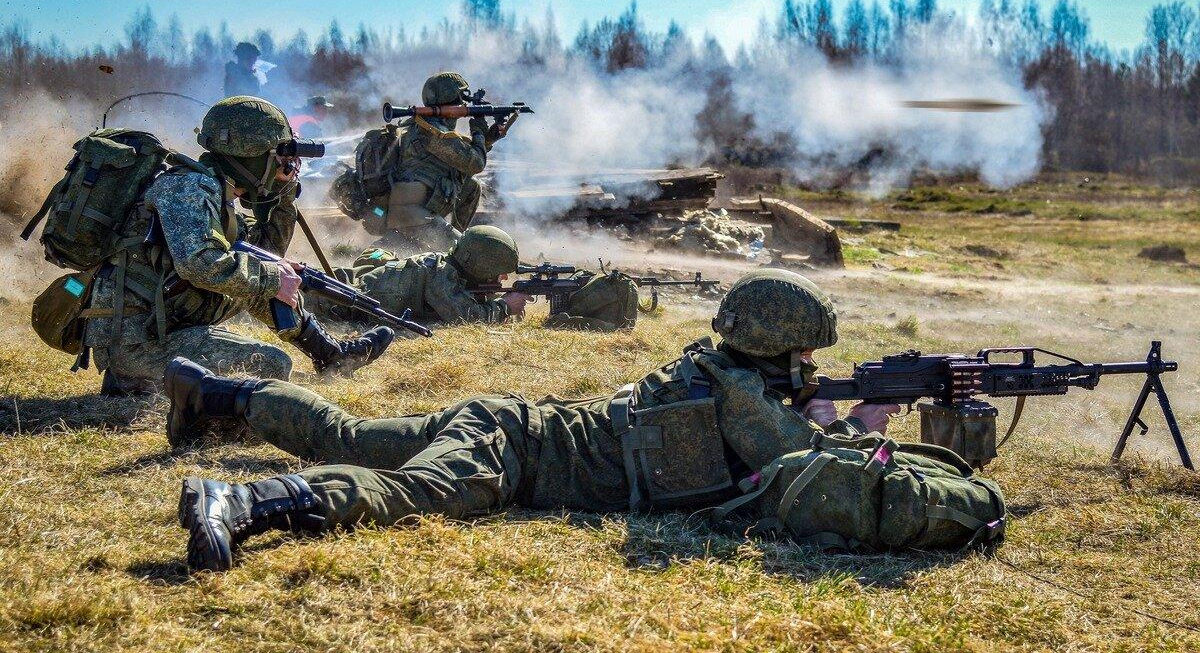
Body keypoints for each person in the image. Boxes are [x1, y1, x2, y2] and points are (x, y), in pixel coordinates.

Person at [166, 268, 902, 571]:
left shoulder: (722, 370)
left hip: (508, 422)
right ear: (774, 347)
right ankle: (244, 499)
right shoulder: (747, 400)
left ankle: (214, 396)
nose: (810, 363)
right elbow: (820, 477)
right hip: (510, 450)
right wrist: (861, 422)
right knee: (418, 493)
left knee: (349, 438)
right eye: (804, 352)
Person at [82, 95, 396, 396]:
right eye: (276, 159)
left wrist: (285, 193)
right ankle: (132, 379)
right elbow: (200, 264)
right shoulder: (187, 188)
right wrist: (274, 278)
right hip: (139, 342)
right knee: (273, 363)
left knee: (265, 276)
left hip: (167, 322)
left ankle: (330, 354)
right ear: (252, 157)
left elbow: (267, 249)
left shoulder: (216, 194)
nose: (281, 166)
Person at [369, 72, 493, 251]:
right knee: (468, 255)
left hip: (412, 211)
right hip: (414, 216)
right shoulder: (433, 133)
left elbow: (463, 162)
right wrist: (479, 133)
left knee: (471, 185)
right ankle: (450, 252)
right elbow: (475, 164)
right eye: (460, 100)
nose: (463, 106)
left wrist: (487, 141)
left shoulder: (419, 125)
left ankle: (444, 246)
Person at [312, 226, 530, 325]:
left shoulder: (451, 268)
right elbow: (465, 317)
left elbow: (467, 297)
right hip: (332, 299)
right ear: (479, 265)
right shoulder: (440, 275)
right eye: (499, 273)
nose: (503, 279)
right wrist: (505, 307)